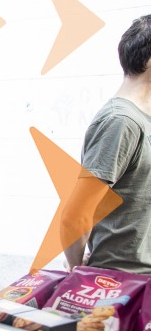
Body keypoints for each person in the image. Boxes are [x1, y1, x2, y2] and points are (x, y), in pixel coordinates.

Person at [62, 15, 151, 274]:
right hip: (123, 286)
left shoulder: (141, 119)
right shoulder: (121, 121)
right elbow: (75, 217)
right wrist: (77, 268)